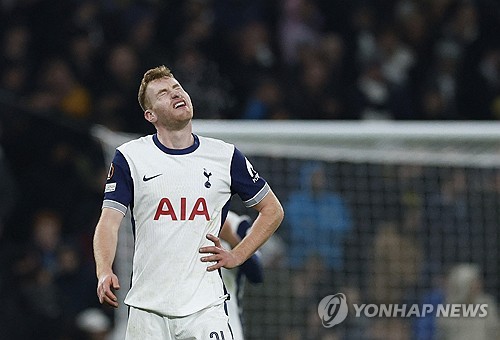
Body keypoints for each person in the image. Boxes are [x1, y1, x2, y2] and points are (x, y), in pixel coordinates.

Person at [92, 65, 284, 340]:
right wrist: (103, 271)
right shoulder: (131, 158)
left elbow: (272, 210)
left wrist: (238, 255)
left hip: (206, 309)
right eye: (162, 94)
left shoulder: (225, 156)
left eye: (177, 88)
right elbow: (109, 222)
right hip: (147, 311)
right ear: (151, 115)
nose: (175, 94)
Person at [219, 211, 264, 340]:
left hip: (227, 312)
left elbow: (257, 275)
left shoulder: (238, 224)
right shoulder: (186, 219)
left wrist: (231, 238)